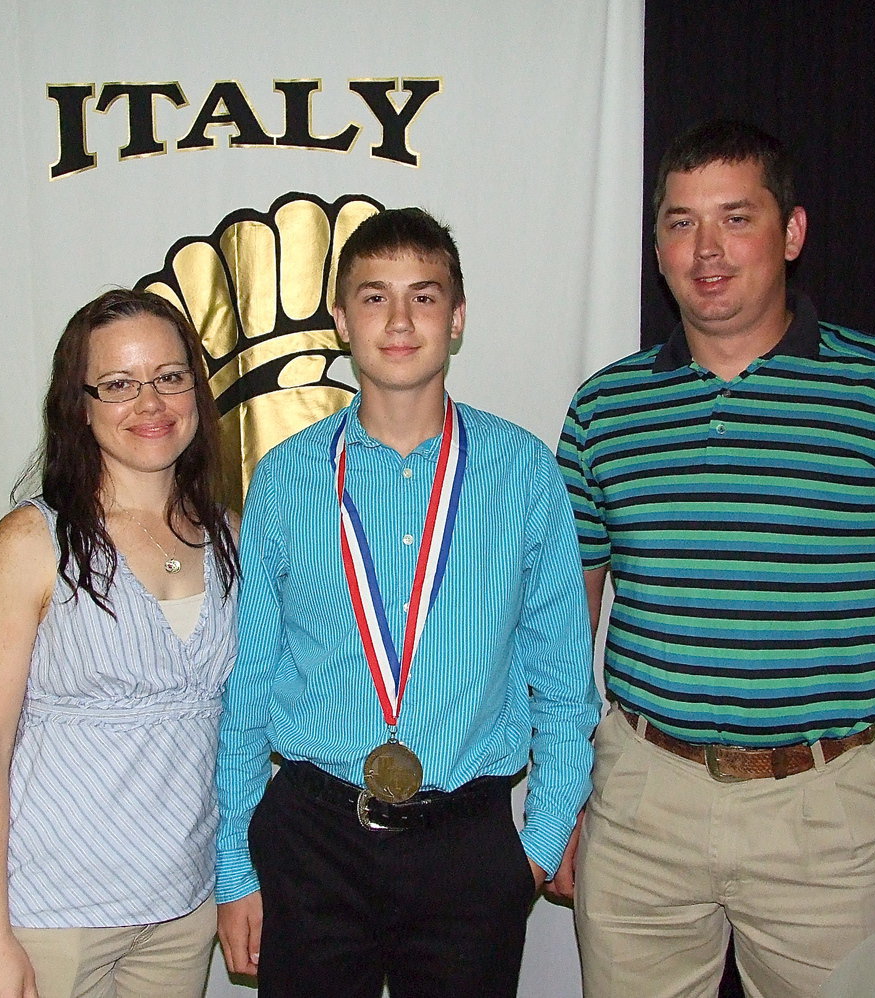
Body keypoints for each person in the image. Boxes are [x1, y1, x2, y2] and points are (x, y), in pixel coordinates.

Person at [553, 119, 875, 998]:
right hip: (643, 801)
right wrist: (564, 796)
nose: (707, 250)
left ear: (791, 232)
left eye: (735, 217)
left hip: (828, 811)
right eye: (681, 223)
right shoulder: (605, 409)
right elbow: (569, 618)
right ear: (657, 246)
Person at [214, 207, 601, 997]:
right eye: (374, 296)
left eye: (424, 297)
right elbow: (247, 687)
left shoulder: (523, 473)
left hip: (469, 845)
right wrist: (234, 868)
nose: (399, 320)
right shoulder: (285, 482)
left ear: (457, 317)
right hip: (313, 841)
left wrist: (538, 842)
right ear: (340, 319)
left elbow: (565, 683)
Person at [0, 289, 240, 998]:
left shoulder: (232, 535)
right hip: (46, 916)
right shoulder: (31, 542)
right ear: (79, 406)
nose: (151, 402)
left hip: (180, 914)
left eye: (170, 377)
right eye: (119, 385)